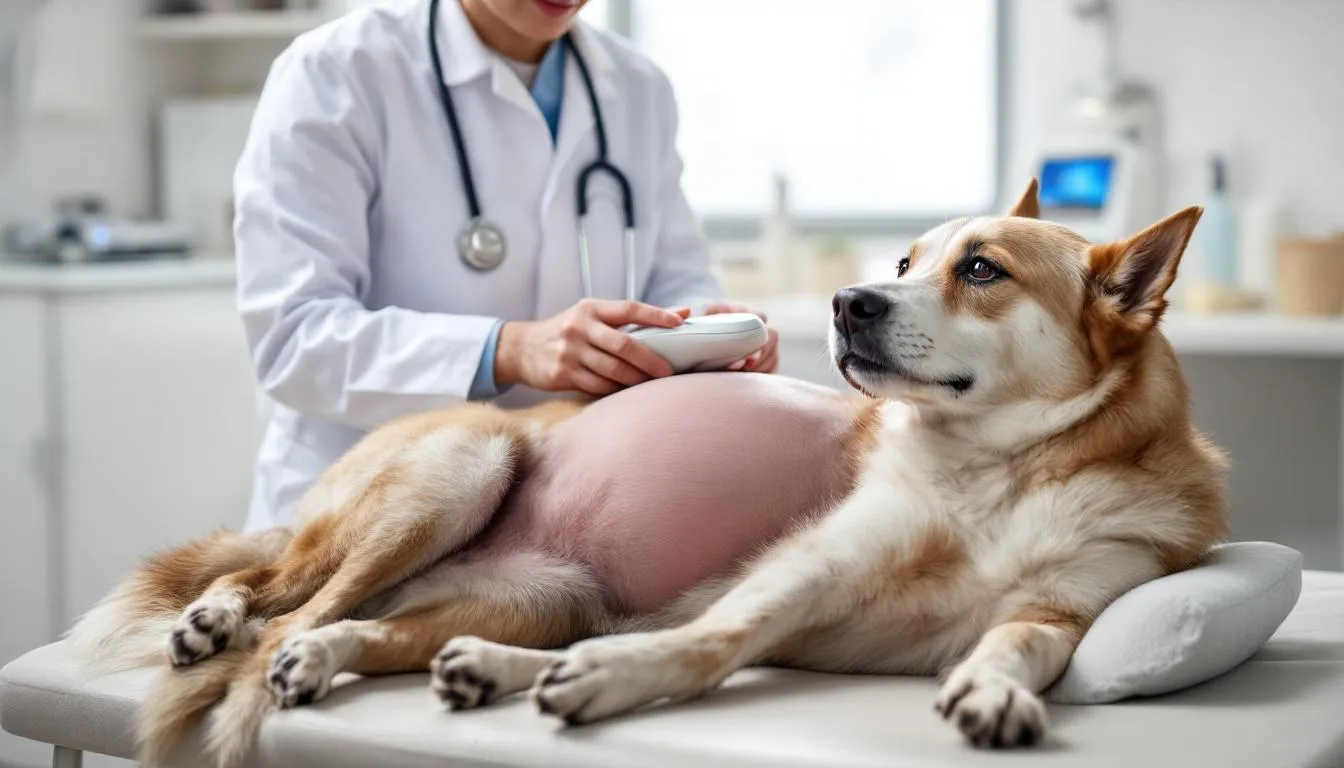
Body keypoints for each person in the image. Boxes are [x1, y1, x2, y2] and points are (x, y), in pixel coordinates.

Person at [233, 0, 780, 531]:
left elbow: (676, 276)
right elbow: (295, 339)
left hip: (558, 513)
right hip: (356, 509)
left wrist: (710, 333)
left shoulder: (638, 87)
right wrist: (510, 350)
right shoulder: (337, 71)